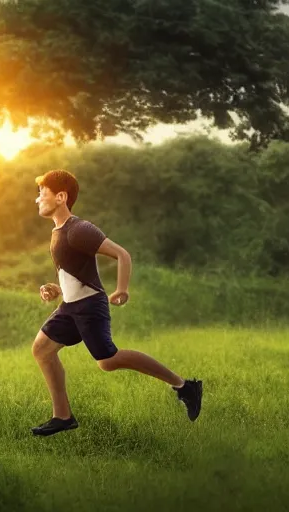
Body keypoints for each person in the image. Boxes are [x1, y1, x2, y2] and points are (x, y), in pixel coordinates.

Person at [30, 169, 202, 437]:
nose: (37, 199)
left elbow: (122, 254)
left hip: (89, 307)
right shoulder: (58, 233)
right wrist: (54, 288)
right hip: (70, 307)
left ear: (61, 197)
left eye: (42, 193)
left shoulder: (79, 229)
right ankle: (62, 416)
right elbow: (73, 272)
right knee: (41, 349)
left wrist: (122, 289)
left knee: (108, 360)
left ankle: (185, 386)